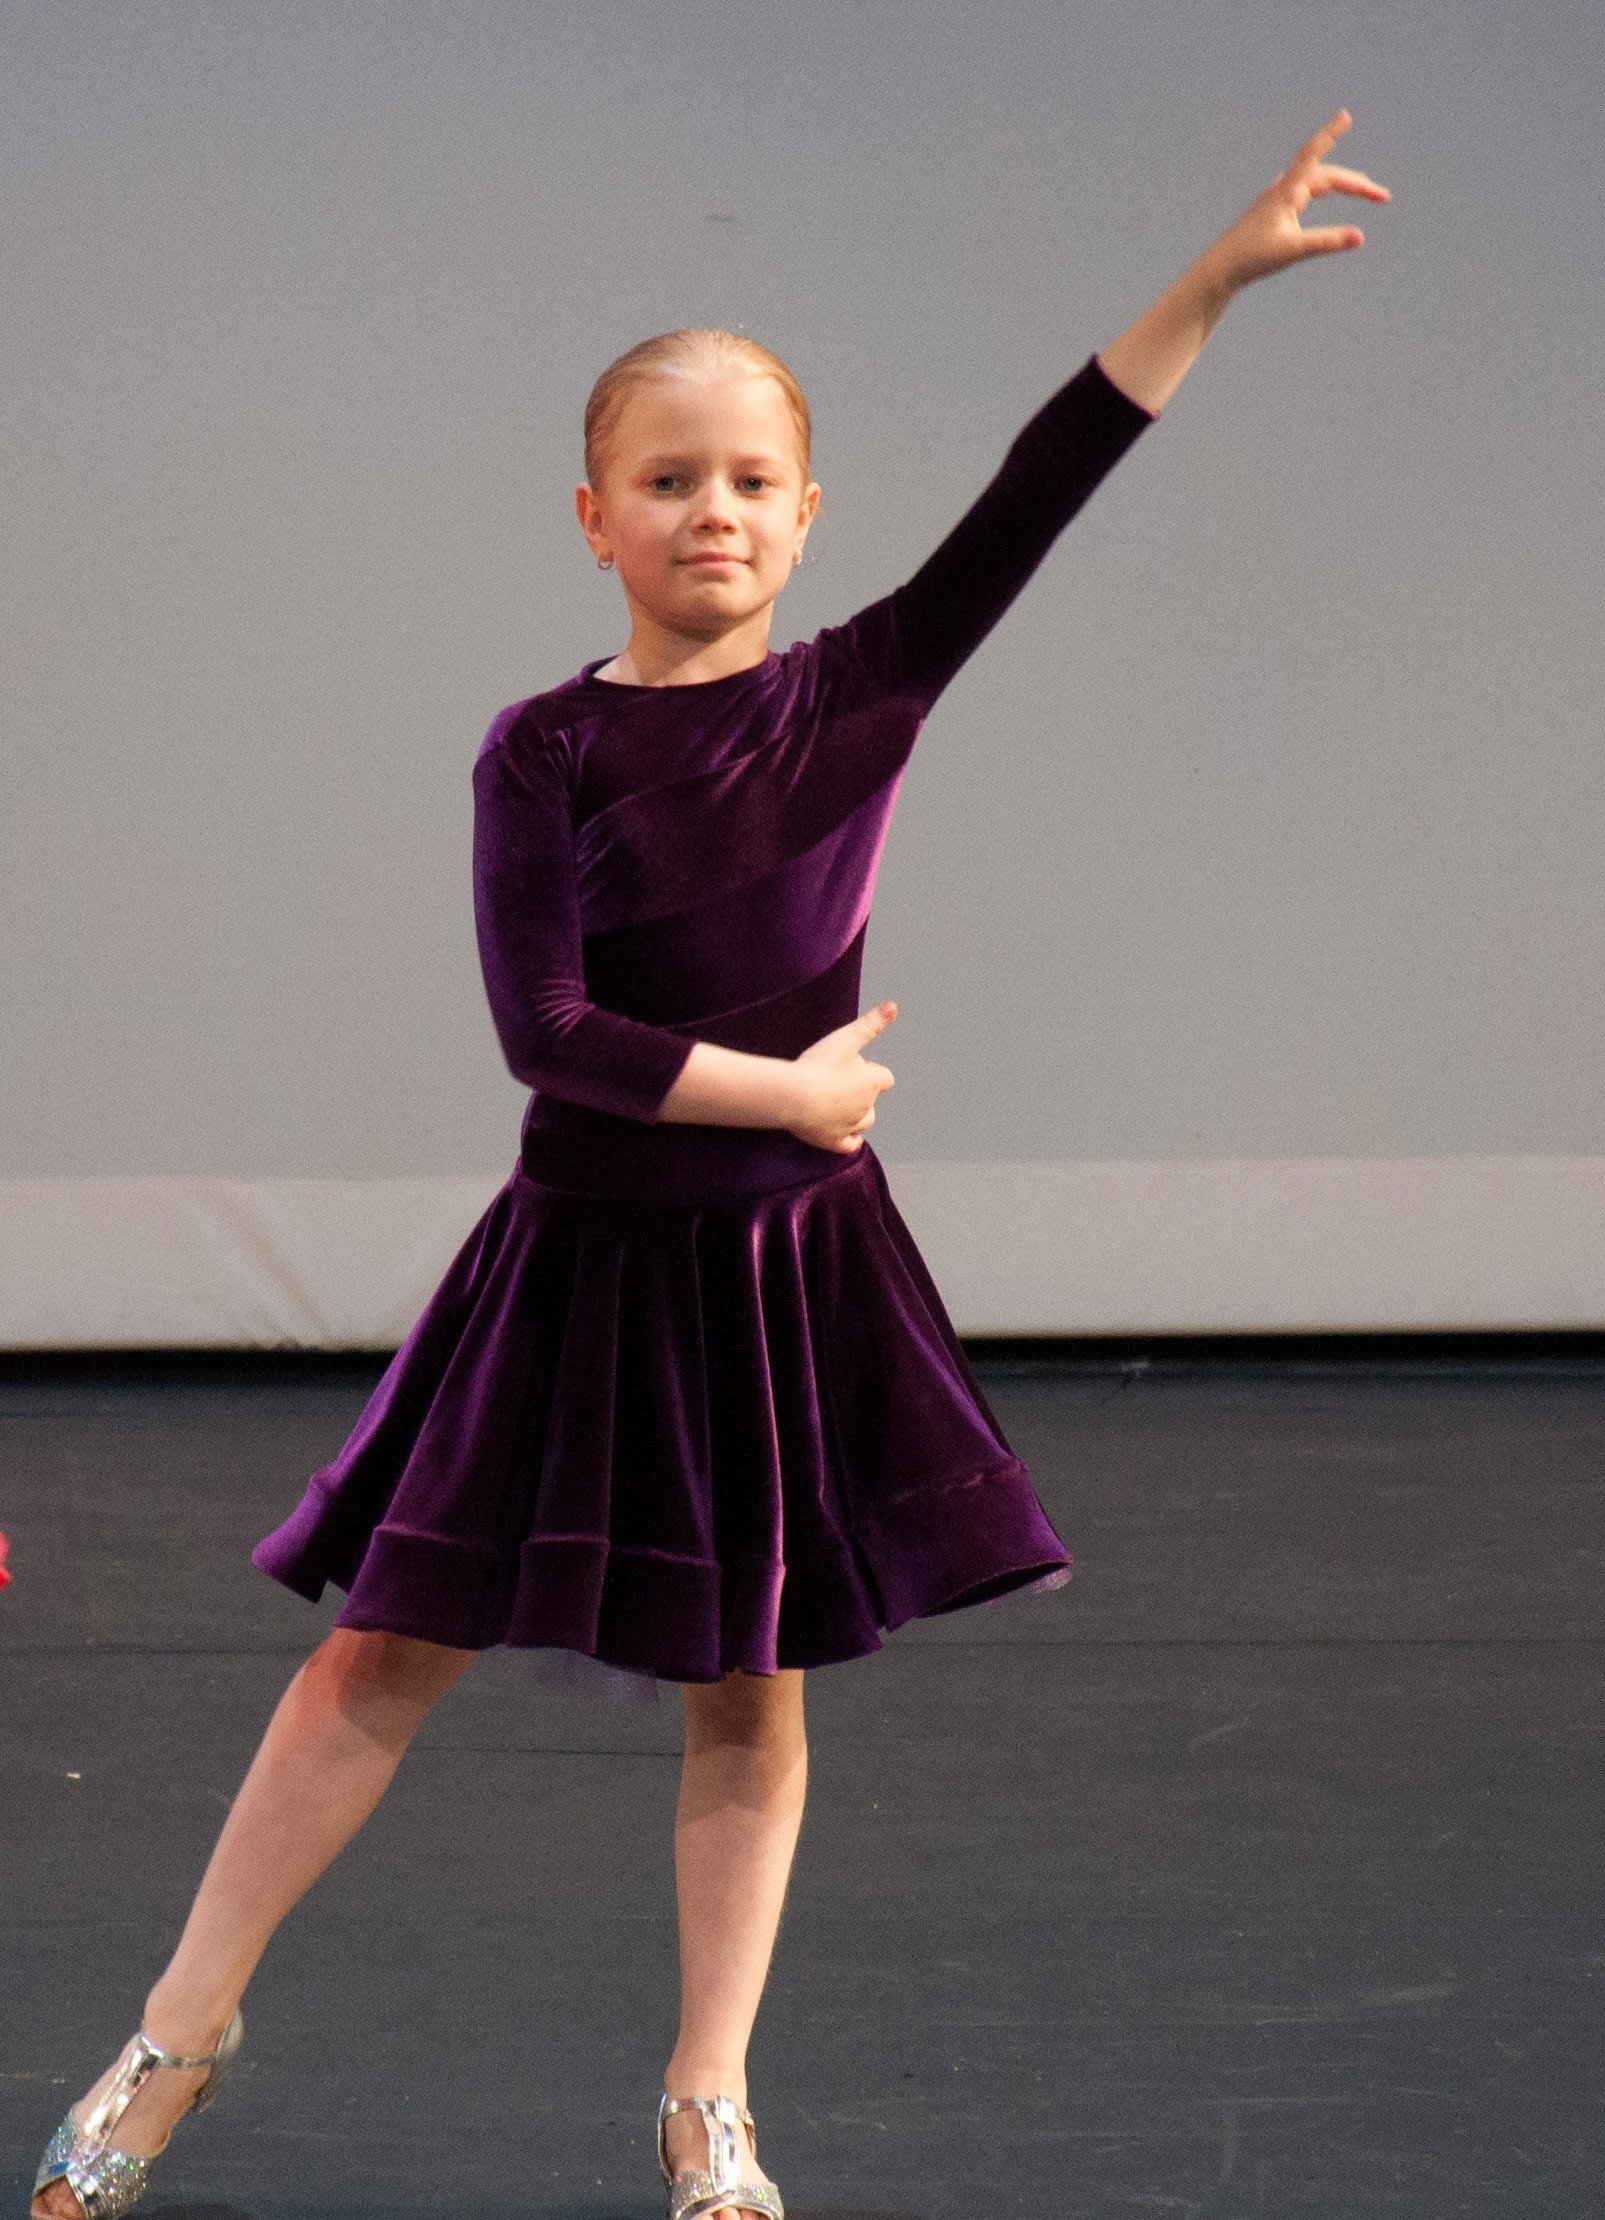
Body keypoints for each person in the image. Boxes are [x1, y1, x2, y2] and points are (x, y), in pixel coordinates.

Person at [31, 108, 1388, 2220]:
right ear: (594, 519)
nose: (713, 512)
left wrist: (1208, 281)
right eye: (668, 481)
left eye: (751, 479)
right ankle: (176, 2031)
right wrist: (793, 1094)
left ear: (807, 513)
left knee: (750, 1686)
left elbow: (1050, 474)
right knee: (378, 1649)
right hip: (578, 1265)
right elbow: (548, 1040)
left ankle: (707, 2100)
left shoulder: (864, 692)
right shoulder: (544, 750)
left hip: (778, 1281)